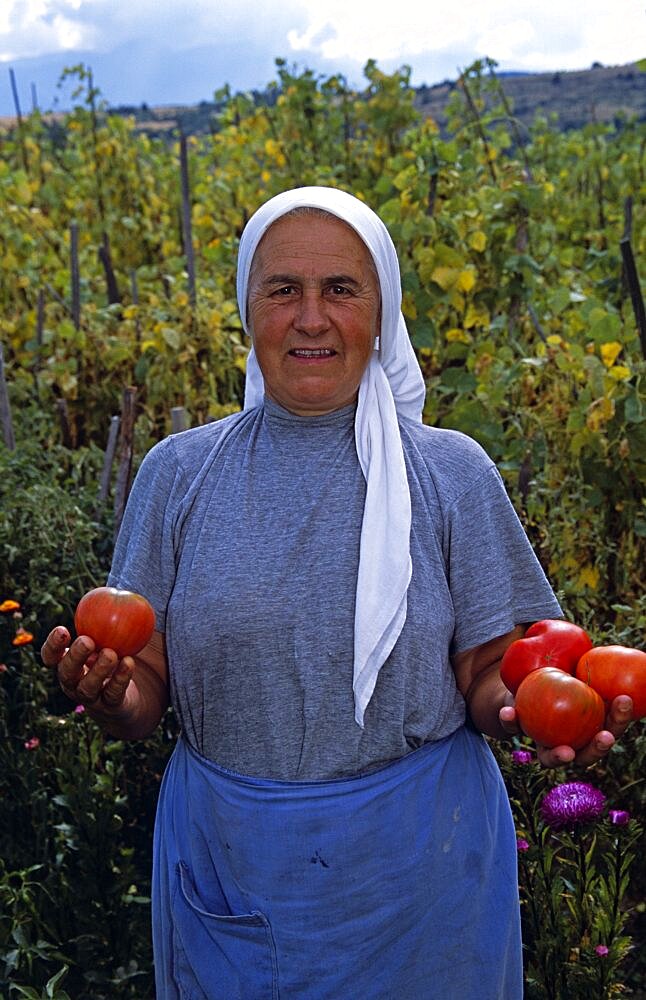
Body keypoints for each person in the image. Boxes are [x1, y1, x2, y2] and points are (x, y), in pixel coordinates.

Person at [41, 186, 633, 999]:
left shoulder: (451, 473)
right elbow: (143, 686)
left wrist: (538, 703)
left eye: (341, 289)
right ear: (247, 310)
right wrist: (110, 693)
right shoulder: (178, 475)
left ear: (381, 311)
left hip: (422, 873)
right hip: (235, 864)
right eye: (283, 289)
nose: (311, 318)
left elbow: (494, 670)